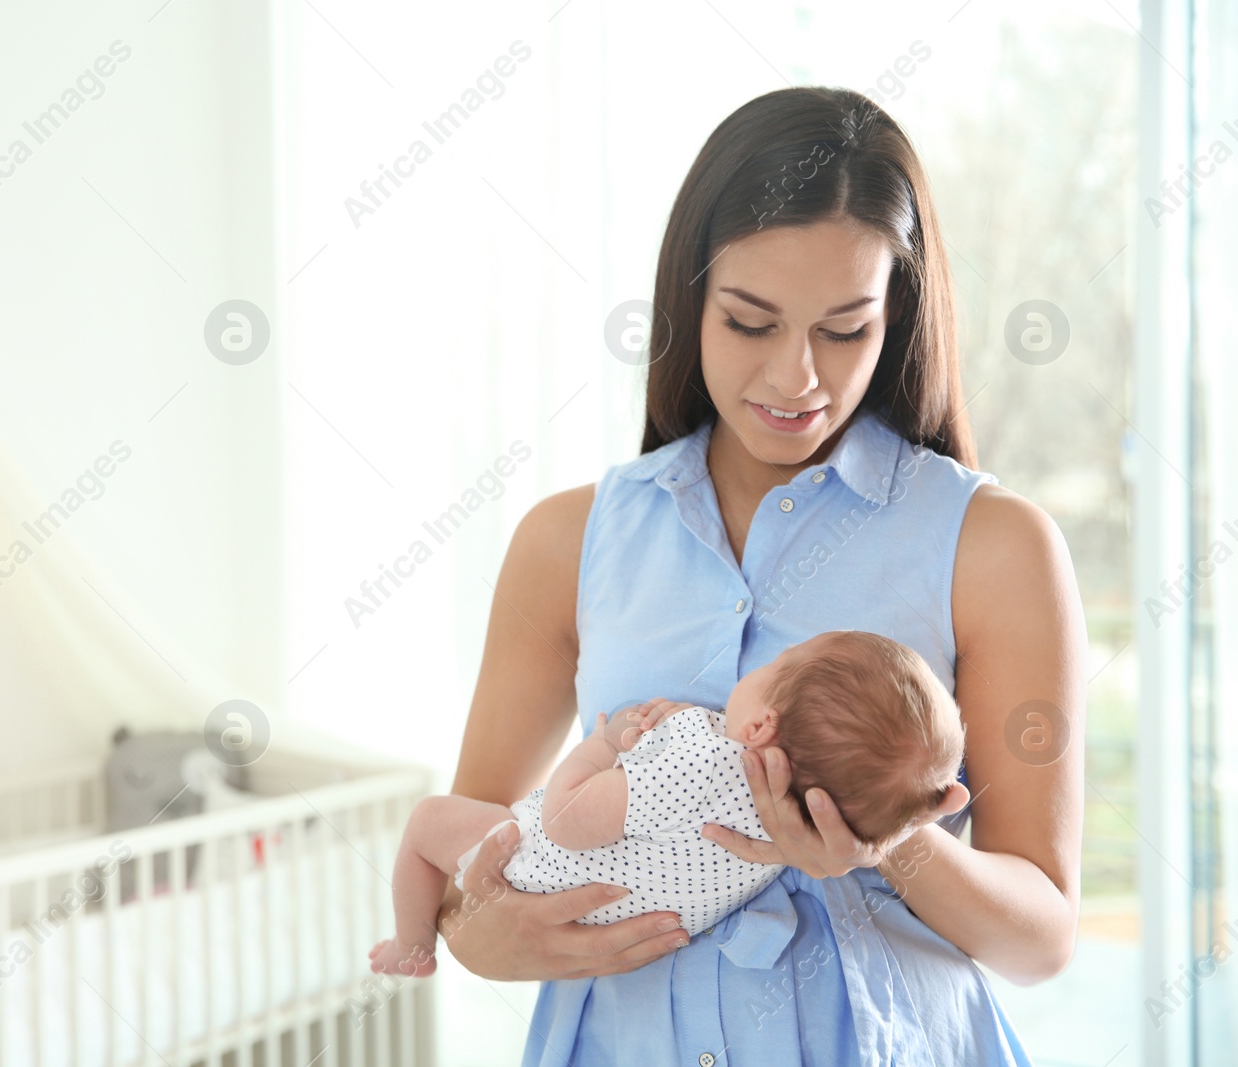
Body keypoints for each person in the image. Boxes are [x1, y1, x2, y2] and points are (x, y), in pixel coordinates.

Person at [435, 85, 1086, 1065]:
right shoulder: (566, 540)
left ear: (896, 314)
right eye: (749, 322)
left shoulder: (994, 545)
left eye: (843, 328)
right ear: (689, 298)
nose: (796, 379)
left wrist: (888, 841)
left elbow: (1040, 937)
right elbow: (468, 865)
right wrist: (476, 932)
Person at [368, 630, 966, 977]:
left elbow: (566, 820)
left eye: (777, 665)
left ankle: (412, 946)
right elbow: (688, 790)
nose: (766, 664)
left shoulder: (702, 760)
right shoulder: (793, 823)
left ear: (760, 726)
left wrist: (601, 746)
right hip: (618, 920)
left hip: (538, 873)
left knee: (428, 822)